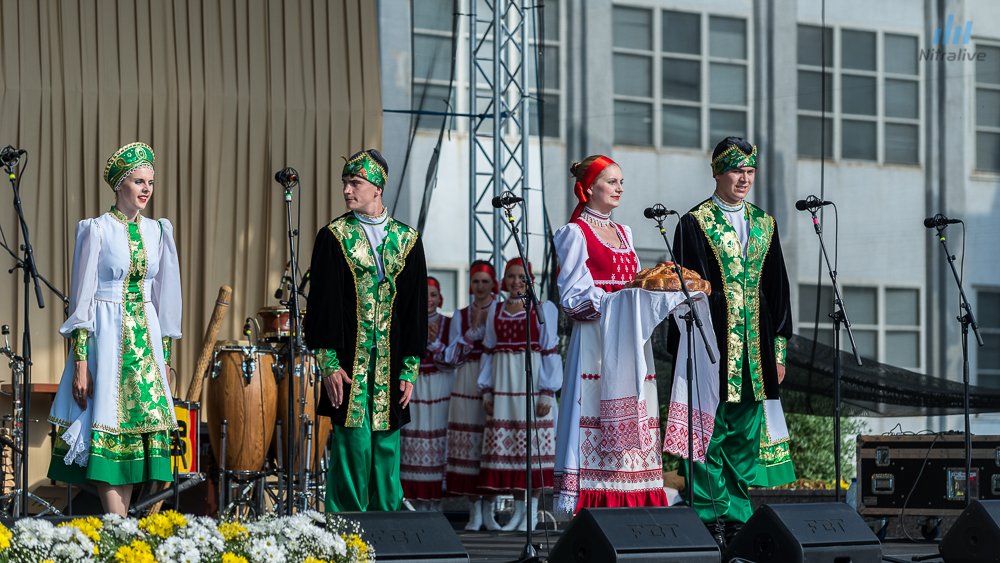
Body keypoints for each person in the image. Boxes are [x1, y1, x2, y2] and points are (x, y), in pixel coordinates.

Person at [668, 136, 793, 548]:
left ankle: (737, 519)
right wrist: (688, 350)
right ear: (717, 172)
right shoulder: (694, 222)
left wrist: (778, 352)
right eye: (737, 170)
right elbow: (683, 293)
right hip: (710, 345)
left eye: (750, 171)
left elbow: (778, 291)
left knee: (743, 437)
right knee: (707, 432)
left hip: (755, 349)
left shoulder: (765, 223)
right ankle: (709, 519)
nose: (745, 178)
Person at [47, 142, 182, 516]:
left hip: (146, 342)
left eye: (150, 182)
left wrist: (165, 359)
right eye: (138, 181)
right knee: (105, 424)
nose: (146, 189)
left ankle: (119, 526)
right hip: (107, 338)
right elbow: (82, 301)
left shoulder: (159, 231)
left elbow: (166, 300)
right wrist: (81, 362)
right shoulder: (96, 230)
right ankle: (116, 524)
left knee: (135, 440)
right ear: (120, 184)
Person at [304, 148, 428, 512]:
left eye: (355, 182)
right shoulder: (334, 236)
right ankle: (347, 530)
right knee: (352, 445)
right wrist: (328, 363)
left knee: (387, 447)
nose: (346, 190)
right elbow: (322, 306)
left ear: (377, 188)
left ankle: (388, 529)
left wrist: (410, 368)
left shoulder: (407, 239)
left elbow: (415, 308)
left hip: (390, 361)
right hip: (348, 363)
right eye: (344, 182)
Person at [552, 155, 669, 514]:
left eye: (621, 182)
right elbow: (572, 298)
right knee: (593, 410)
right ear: (588, 188)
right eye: (611, 181)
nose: (619, 188)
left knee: (636, 410)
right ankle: (593, 500)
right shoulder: (574, 233)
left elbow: (633, 285)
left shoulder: (625, 232)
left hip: (631, 340)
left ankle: (632, 499)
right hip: (596, 341)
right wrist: (616, 302)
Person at [477, 258, 561, 531]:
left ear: (531, 280)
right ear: (504, 280)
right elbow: (488, 352)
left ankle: (532, 512)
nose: (516, 281)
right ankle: (518, 511)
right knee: (512, 450)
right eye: (511, 276)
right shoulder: (496, 310)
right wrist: (486, 390)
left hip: (532, 386)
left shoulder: (544, 309)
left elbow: (550, 352)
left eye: (522, 277)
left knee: (533, 450)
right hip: (505, 389)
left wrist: (547, 391)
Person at [441, 261, 501, 531]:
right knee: (469, 445)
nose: (480, 286)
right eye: (475, 281)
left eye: (485, 281)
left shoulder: (502, 310)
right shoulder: (460, 315)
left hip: (494, 376)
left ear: (493, 284)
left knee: (491, 443)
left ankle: (490, 510)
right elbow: (452, 358)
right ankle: (475, 510)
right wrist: (470, 334)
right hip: (466, 380)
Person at [399, 277, 455, 509]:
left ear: (440, 298)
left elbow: (452, 359)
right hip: (417, 383)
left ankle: (436, 501)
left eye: (433, 295)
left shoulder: (449, 323)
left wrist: (433, 342)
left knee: (438, 437)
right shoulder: (408, 320)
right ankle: (415, 500)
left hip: (440, 384)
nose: (429, 299)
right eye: (425, 295)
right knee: (414, 435)